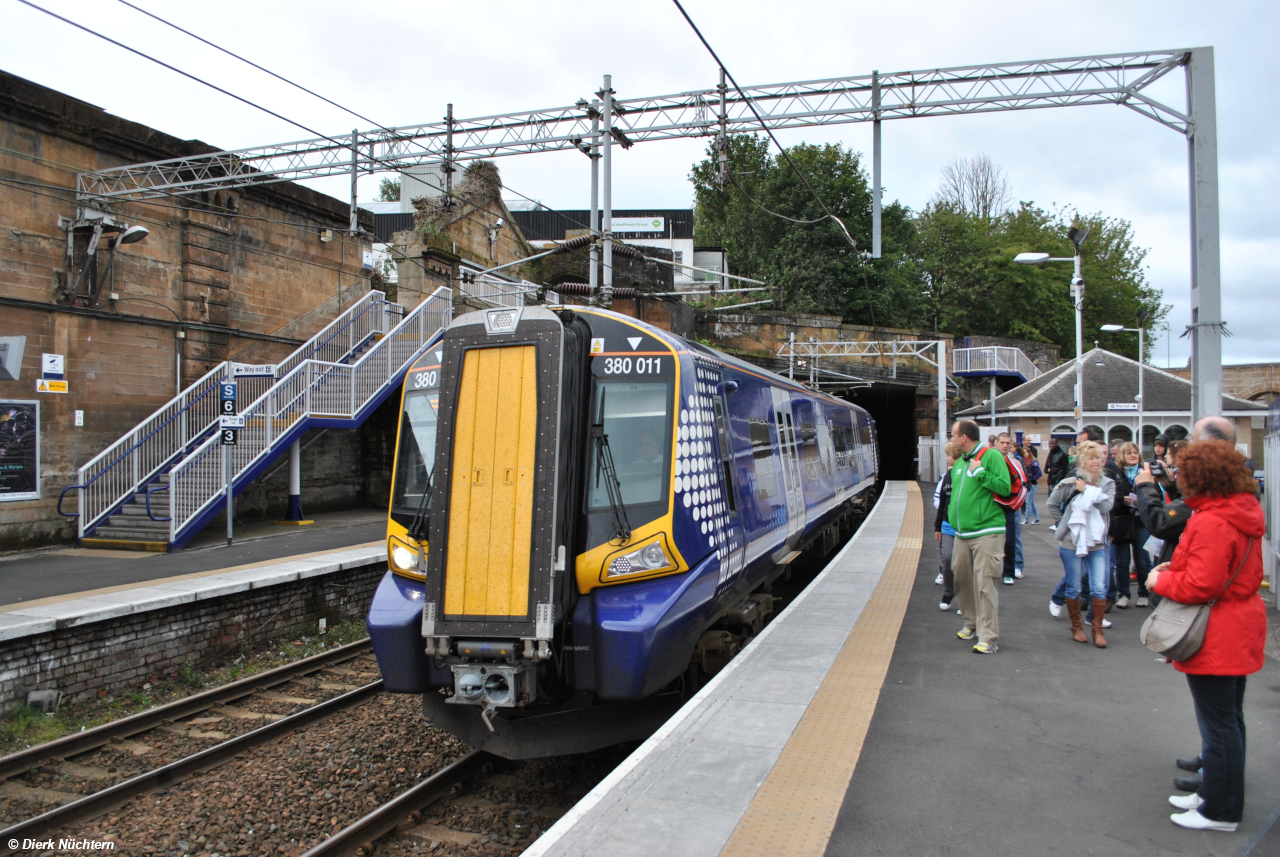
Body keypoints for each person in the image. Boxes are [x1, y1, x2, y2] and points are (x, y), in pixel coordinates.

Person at [1147, 441, 1266, 833]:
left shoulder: (1211, 520)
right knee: (1229, 720)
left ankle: (1220, 810)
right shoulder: (1240, 511)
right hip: (1238, 623)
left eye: (1184, 473)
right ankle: (1216, 794)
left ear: (1201, 477)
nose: (1178, 478)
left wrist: (1161, 578)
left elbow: (1202, 584)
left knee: (1218, 726)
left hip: (1216, 631)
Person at [947, 420, 1012, 654]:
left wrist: (981, 472)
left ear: (964, 437)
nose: (951, 439)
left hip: (987, 531)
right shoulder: (958, 464)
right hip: (962, 533)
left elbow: (1005, 487)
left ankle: (989, 637)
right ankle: (971, 624)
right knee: (961, 580)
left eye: (953, 435)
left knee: (985, 585)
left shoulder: (991, 456)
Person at [1047, 440, 1115, 647]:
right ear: (1082, 461)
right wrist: (1064, 524)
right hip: (1072, 542)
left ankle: (1097, 629)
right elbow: (1052, 504)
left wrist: (1088, 491)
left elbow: (1105, 506)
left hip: (1097, 543)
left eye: (1098, 457)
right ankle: (1076, 626)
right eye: (1091, 457)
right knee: (1074, 586)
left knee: (1099, 587)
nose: (1096, 461)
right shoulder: (1069, 482)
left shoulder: (1108, 484)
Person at [1107, 441, 1152, 609]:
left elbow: (1154, 495)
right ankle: (1123, 594)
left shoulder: (1145, 473)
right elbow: (1112, 496)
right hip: (1122, 520)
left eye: (1135, 452)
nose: (1133, 455)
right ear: (1122, 456)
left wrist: (1140, 501)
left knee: (1142, 560)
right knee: (1122, 562)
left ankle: (1144, 593)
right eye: (1129, 453)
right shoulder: (1116, 473)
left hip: (1141, 521)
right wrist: (1122, 500)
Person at [995, 432, 1027, 584]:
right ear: (996, 443)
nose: (1005, 445)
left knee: (1011, 539)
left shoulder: (1016, 462)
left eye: (1008, 443)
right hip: (993, 504)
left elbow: (1022, 481)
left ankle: (1009, 571)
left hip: (1010, 505)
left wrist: (1019, 503)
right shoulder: (990, 460)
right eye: (1002, 442)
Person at [933, 443, 958, 611]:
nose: (947, 459)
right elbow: (941, 503)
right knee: (947, 558)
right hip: (948, 524)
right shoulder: (946, 477)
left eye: (948, 456)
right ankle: (948, 592)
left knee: (964, 565)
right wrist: (938, 526)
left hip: (967, 527)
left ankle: (965, 600)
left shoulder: (970, 474)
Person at [1021, 443, 1042, 525]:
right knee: (1031, 502)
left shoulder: (1033, 462)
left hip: (1032, 484)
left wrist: (1032, 479)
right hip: (1028, 484)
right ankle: (1036, 518)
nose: (1024, 454)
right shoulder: (1024, 462)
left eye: (1025, 452)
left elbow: (1039, 473)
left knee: (1028, 502)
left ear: (1029, 453)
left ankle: (1026, 520)